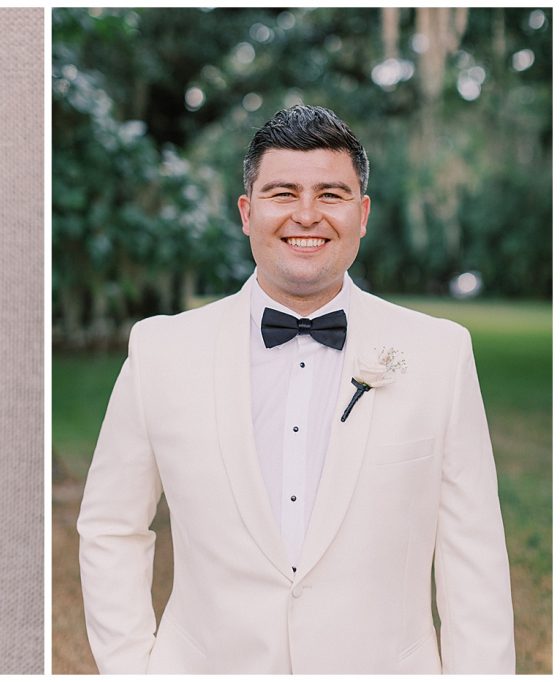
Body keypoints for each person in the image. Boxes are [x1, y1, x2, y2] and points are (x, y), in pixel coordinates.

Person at [77, 104, 515, 674]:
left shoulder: (440, 354)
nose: (306, 215)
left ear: (362, 214)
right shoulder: (160, 351)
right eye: (283, 193)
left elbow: (473, 556)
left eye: (330, 195)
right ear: (247, 211)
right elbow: (112, 527)